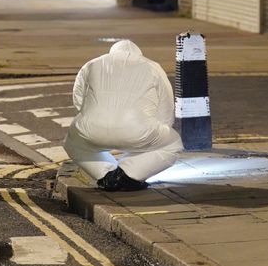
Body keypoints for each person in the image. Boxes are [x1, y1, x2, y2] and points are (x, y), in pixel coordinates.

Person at [63, 40, 184, 191]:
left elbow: (79, 99)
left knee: (73, 143)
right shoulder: (152, 66)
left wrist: (90, 117)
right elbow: (165, 104)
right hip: (138, 129)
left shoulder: (92, 64)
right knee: (172, 144)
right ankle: (128, 175)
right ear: (138, 53)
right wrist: (158, 129)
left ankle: (106, 176)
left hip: (92, 127)